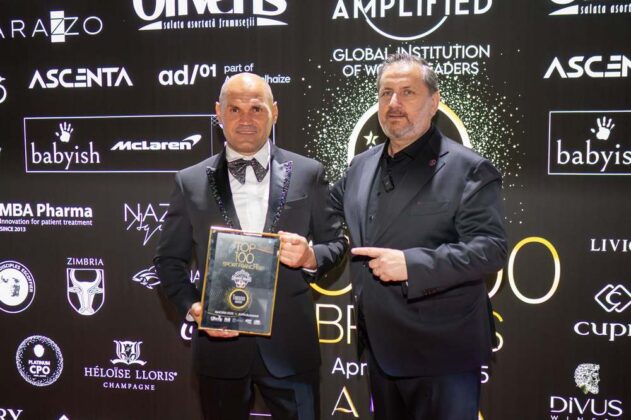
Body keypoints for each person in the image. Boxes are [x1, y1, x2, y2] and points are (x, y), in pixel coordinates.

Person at [154, 73, 347, 420]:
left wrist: (310, 256)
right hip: (219, 348)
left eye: (257, 108)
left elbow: (335, 243)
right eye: (235, 109)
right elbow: (168, 260)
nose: (246, 119)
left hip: (290, 347)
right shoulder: (189, 181)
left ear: (275, 112)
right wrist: (194, 307)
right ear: (219, 113)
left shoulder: (309, 173)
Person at [331, 53, 507, 419]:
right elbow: (325, 213)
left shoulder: (468, 168)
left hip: (442, 353)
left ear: (434, 101)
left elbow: (490, 249)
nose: (394, 103)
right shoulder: (361, 165)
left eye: (407, 92)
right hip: (380, 350)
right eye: (386, 93)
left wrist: (411, 264)